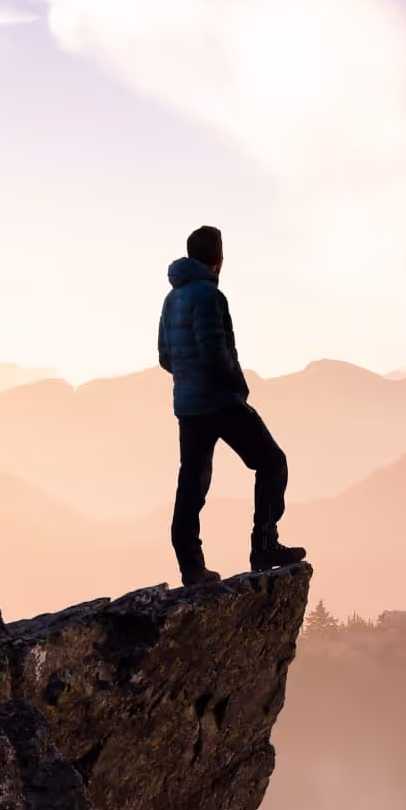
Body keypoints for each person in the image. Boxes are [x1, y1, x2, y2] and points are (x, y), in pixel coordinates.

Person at [158, 225, 305, 585]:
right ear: (216, 257)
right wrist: (237, 387)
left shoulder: (172, 298)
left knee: (192, 483)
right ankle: (265, 546)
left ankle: (191, 567)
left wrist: (186, 379)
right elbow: (215, 352)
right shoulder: (209, 296)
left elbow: (165, 356)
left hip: (188, 406)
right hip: (220, 401)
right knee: (272, 462)